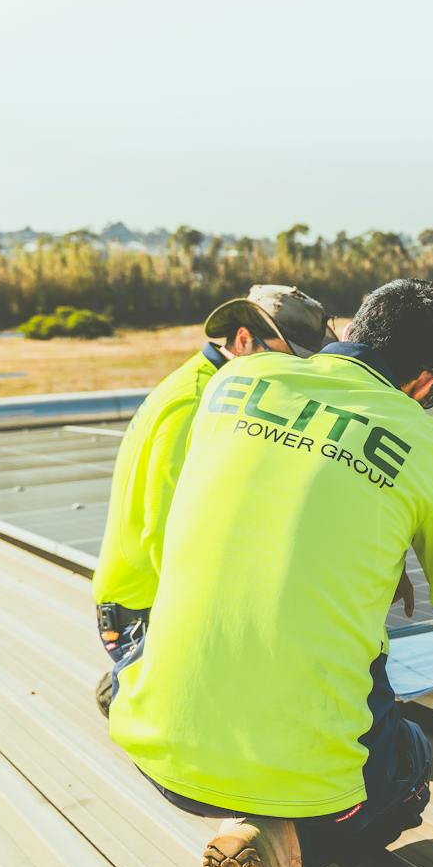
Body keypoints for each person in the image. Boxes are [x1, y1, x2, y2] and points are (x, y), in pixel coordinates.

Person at [108, 277, 433, 867]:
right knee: (411, 766)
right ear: (428, 382)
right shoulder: (430, 452)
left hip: (155, 748)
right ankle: (290, 843)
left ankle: (258, 816)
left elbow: (272, 498)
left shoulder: (235, 382)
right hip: (319, 786)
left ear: (347, 333)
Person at [92, 285, 336, 715]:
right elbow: (162, 532)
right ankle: (132, 682)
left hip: (158, 597)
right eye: (291, 359)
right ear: (243, 340)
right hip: (143, 610)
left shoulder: (223, 386)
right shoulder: (195, 401)